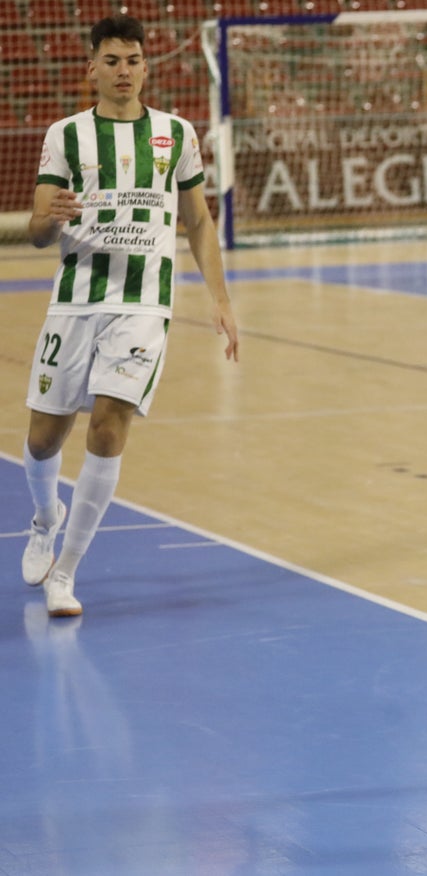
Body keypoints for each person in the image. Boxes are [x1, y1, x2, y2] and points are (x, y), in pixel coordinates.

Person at [21, 14, 239, 618]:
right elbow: (37, 231)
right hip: (75, 301)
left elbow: (198, 221)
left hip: (144, 305)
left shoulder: (177, 134)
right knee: (43, 439)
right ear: (92, 66)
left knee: (109, 428)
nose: (124, 71)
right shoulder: (65, 136)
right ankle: (44, 517)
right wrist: (50, 218)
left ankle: (66, 572)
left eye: (134, 60)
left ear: (146, 66)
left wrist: (221, 300)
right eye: (112, 61)